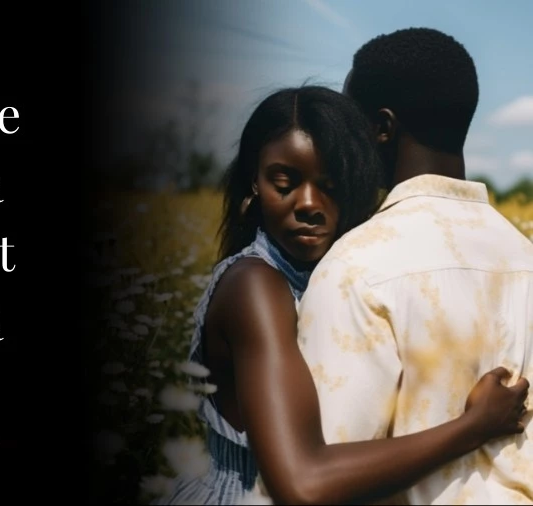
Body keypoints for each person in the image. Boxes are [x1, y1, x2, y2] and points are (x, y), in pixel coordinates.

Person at [156, 85, 529, 505]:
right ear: (254, 183)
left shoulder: (339, 273)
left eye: (331, 184)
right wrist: (474, 427)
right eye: (284, 183)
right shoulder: (255, 288)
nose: (309, 203)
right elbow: (302, 485)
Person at [291, 28, 533, 504]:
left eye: (349, 125)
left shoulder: (355, 268)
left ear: (382, 128)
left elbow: (326, 473)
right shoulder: (524, 257)